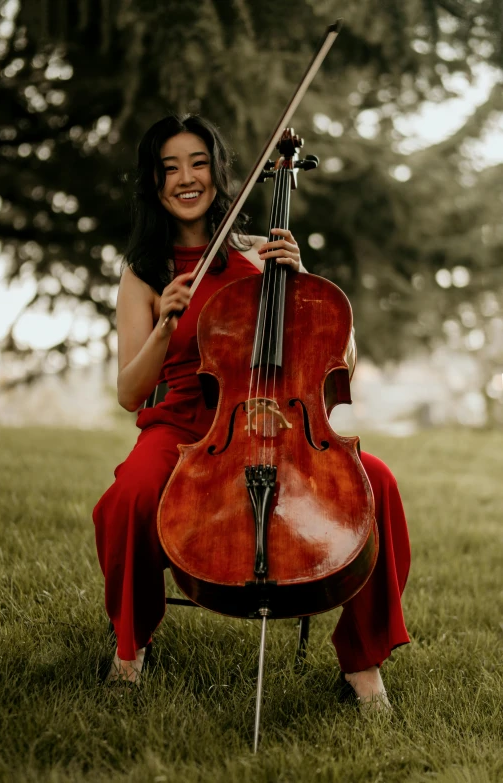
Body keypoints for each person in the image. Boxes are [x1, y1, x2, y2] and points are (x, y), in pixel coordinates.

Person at [92, 114, 411, 709]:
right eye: (169, 168)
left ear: (217, 171)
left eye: (197, 163)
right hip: (189, 424)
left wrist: (302, 278)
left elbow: (336, 352)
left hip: (282, 418)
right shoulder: (142, 273)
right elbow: (130, 392)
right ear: (153, 183)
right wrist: (164, 322)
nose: (185, 178)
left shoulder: (257, 253)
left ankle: (362, 663)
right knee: (131, 495)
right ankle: (130, 647)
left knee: (379, 485)